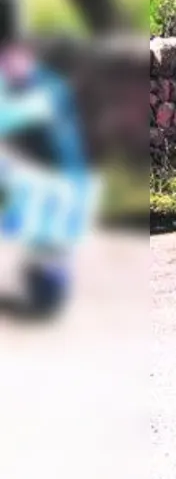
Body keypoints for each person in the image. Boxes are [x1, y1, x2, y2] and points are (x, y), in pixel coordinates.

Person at [0, 37, 89, 317]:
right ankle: (42, 289)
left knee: (49, 237)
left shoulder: (48, 89)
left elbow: (17, 116)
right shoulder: (22, 85)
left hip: (59, 175)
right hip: (37, 173)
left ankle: (48, 296)